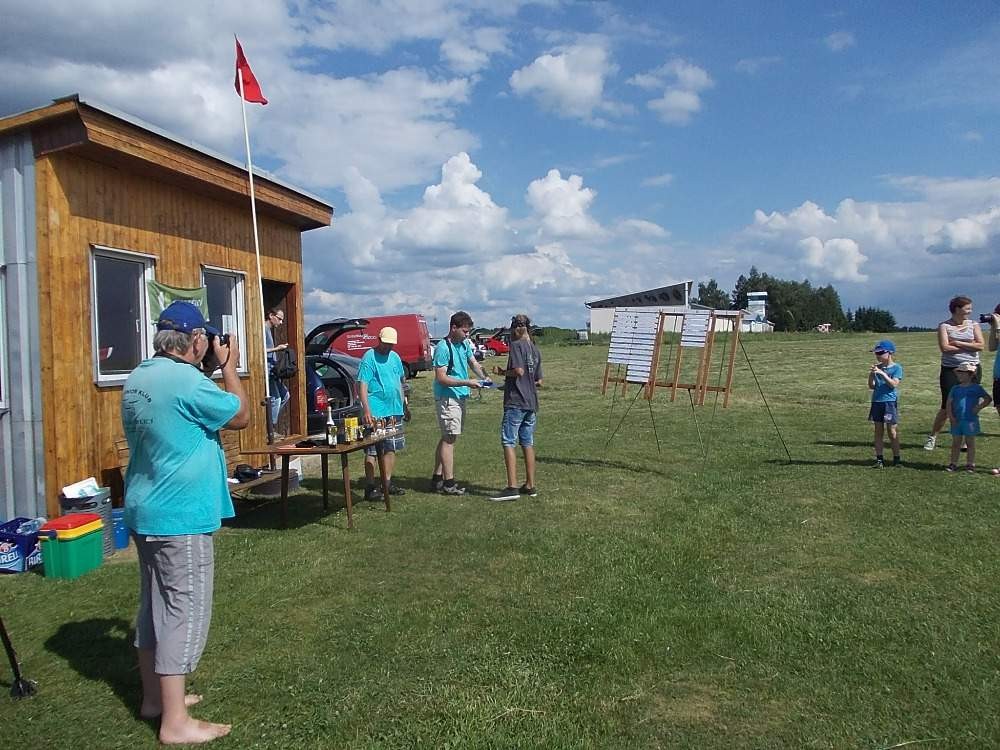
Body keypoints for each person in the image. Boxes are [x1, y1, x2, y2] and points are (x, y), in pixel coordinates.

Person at [121, 300, 249, 744]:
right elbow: (240, 414)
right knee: (182, 610)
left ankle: (155, 699)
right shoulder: (187, 382)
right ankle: (175, 723)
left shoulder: (139, 377)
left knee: (153, 608)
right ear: (195, 340)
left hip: (145, 508)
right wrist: (228, 365)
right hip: (180, 516)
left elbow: (183, 411)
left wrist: (205, 369)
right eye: (205, 340)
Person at [430, 310, 491, 495]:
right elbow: (441, 378)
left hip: (459, 396)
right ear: (453, 328)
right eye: (464, 331)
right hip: (447, 397)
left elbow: (473, 363)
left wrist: (485, 377)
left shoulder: (464, 344)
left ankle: (437, 478)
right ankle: (448, 483)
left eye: (468, 331)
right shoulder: (442, 348)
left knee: (448, 437)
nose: (467, 334)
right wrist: (467, 382)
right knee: (449, 438)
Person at [490, 314, 544, 501]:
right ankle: (530, 484)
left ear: (515, 329)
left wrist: (502, 372)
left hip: (516, 402)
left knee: (508, 441)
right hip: (531, 402)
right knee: (527, 442)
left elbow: (519, 371)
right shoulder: (535, 349)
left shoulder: (516, 346)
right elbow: (538, 381)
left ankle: (512, 487)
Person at [924, 296, 984, 451]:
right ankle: (932, 436)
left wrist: (957, 343)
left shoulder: (974, 325)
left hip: (972, 369)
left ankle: (965, 439)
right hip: (950, 369)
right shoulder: (944, 326)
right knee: (947, 405)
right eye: (967, 308)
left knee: (969, 405)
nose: (970, 311)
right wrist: (969, 345)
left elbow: (980, 345)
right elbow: (945, 348)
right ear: (957, 309)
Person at [357, 326, 411, 500]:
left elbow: (401, 382)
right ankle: (370, 486)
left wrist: (405, 405)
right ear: (379, 340)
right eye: (386, 343)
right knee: (372, 450)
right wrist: (367, 410)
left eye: (391, 344)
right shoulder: (369, 357)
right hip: (376, 411)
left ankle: (386, 483)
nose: (388, 347)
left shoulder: (395, 357)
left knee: (391, 447)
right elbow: (362, 385)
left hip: (394, 410)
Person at [945, 361, 991, 473]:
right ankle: (953, 463)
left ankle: (970, 464)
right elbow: (948, 403)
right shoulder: (955, 388)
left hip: (970, 420)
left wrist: (978, 407)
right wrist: (951, 417)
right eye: (959, 373)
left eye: (962, 373)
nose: (959, 375)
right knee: (956, 443)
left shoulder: (976, 388)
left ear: (970, 375)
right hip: (957, 420)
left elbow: (988, 399)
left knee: (970, 443)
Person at [867, 339, 902, 468]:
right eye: (876, 353)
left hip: (889, 403)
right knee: (878, 431)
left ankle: (896, 459)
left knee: (891, 431)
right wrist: (872, 375)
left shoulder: (897, 368)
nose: (878, 355)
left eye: (880, 353)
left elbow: (894, 384)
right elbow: (872, 386)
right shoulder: (878, 368)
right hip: (877, 402)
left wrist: (882, 374)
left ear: (890, 353)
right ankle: (879, 459)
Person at [264, 307, 289, 434]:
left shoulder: (269, 330)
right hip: (266, 371)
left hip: (272, 371)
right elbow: (260, 350)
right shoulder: (263, 329)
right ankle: (271, 429)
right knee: (277, 399)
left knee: (285, 395)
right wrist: (277, 349)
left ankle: (270, 422)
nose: (281, 322)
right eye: (279, 319)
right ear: (271, 315)